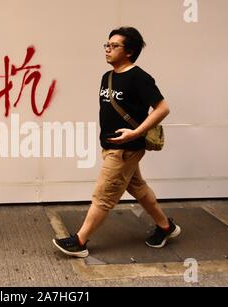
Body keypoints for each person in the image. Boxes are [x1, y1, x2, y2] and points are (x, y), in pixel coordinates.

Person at [52, 27, 181, 258]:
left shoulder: (139, 77)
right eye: (107, 45)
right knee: (139, 189)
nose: (108, 49)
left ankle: (80, 242)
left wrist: (135, 133)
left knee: (103, 195)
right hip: (110, 146)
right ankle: (166, 227)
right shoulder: (108, 76)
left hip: (125, 149)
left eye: (114, 46)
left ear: (129, 51)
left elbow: (163, 108)